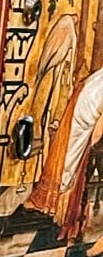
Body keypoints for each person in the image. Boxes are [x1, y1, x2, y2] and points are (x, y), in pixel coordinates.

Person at [28, 63, 103, 243]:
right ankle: (71, 223)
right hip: (83, 131)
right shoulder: (95, 84)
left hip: (85, 130)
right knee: (72, 170)